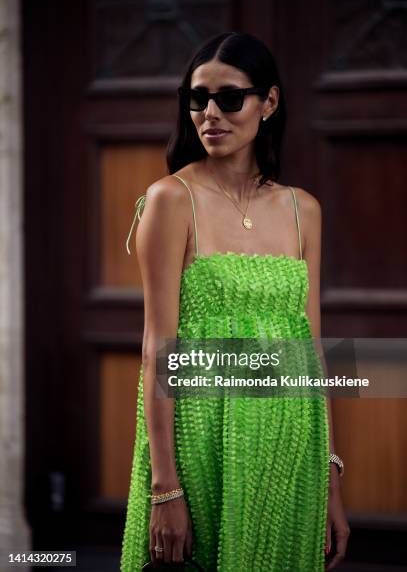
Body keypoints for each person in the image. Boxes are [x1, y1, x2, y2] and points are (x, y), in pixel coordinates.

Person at [120, 32, 350, 571]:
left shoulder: (303, 210)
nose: (209, 114)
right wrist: (164, 487)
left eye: (229, 98)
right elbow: (159, 348)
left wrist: (329, 473)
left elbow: (310, 352)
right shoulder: (171, 200)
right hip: (200, 441)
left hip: (288, 446)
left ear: (268, 103)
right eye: (197, 99)